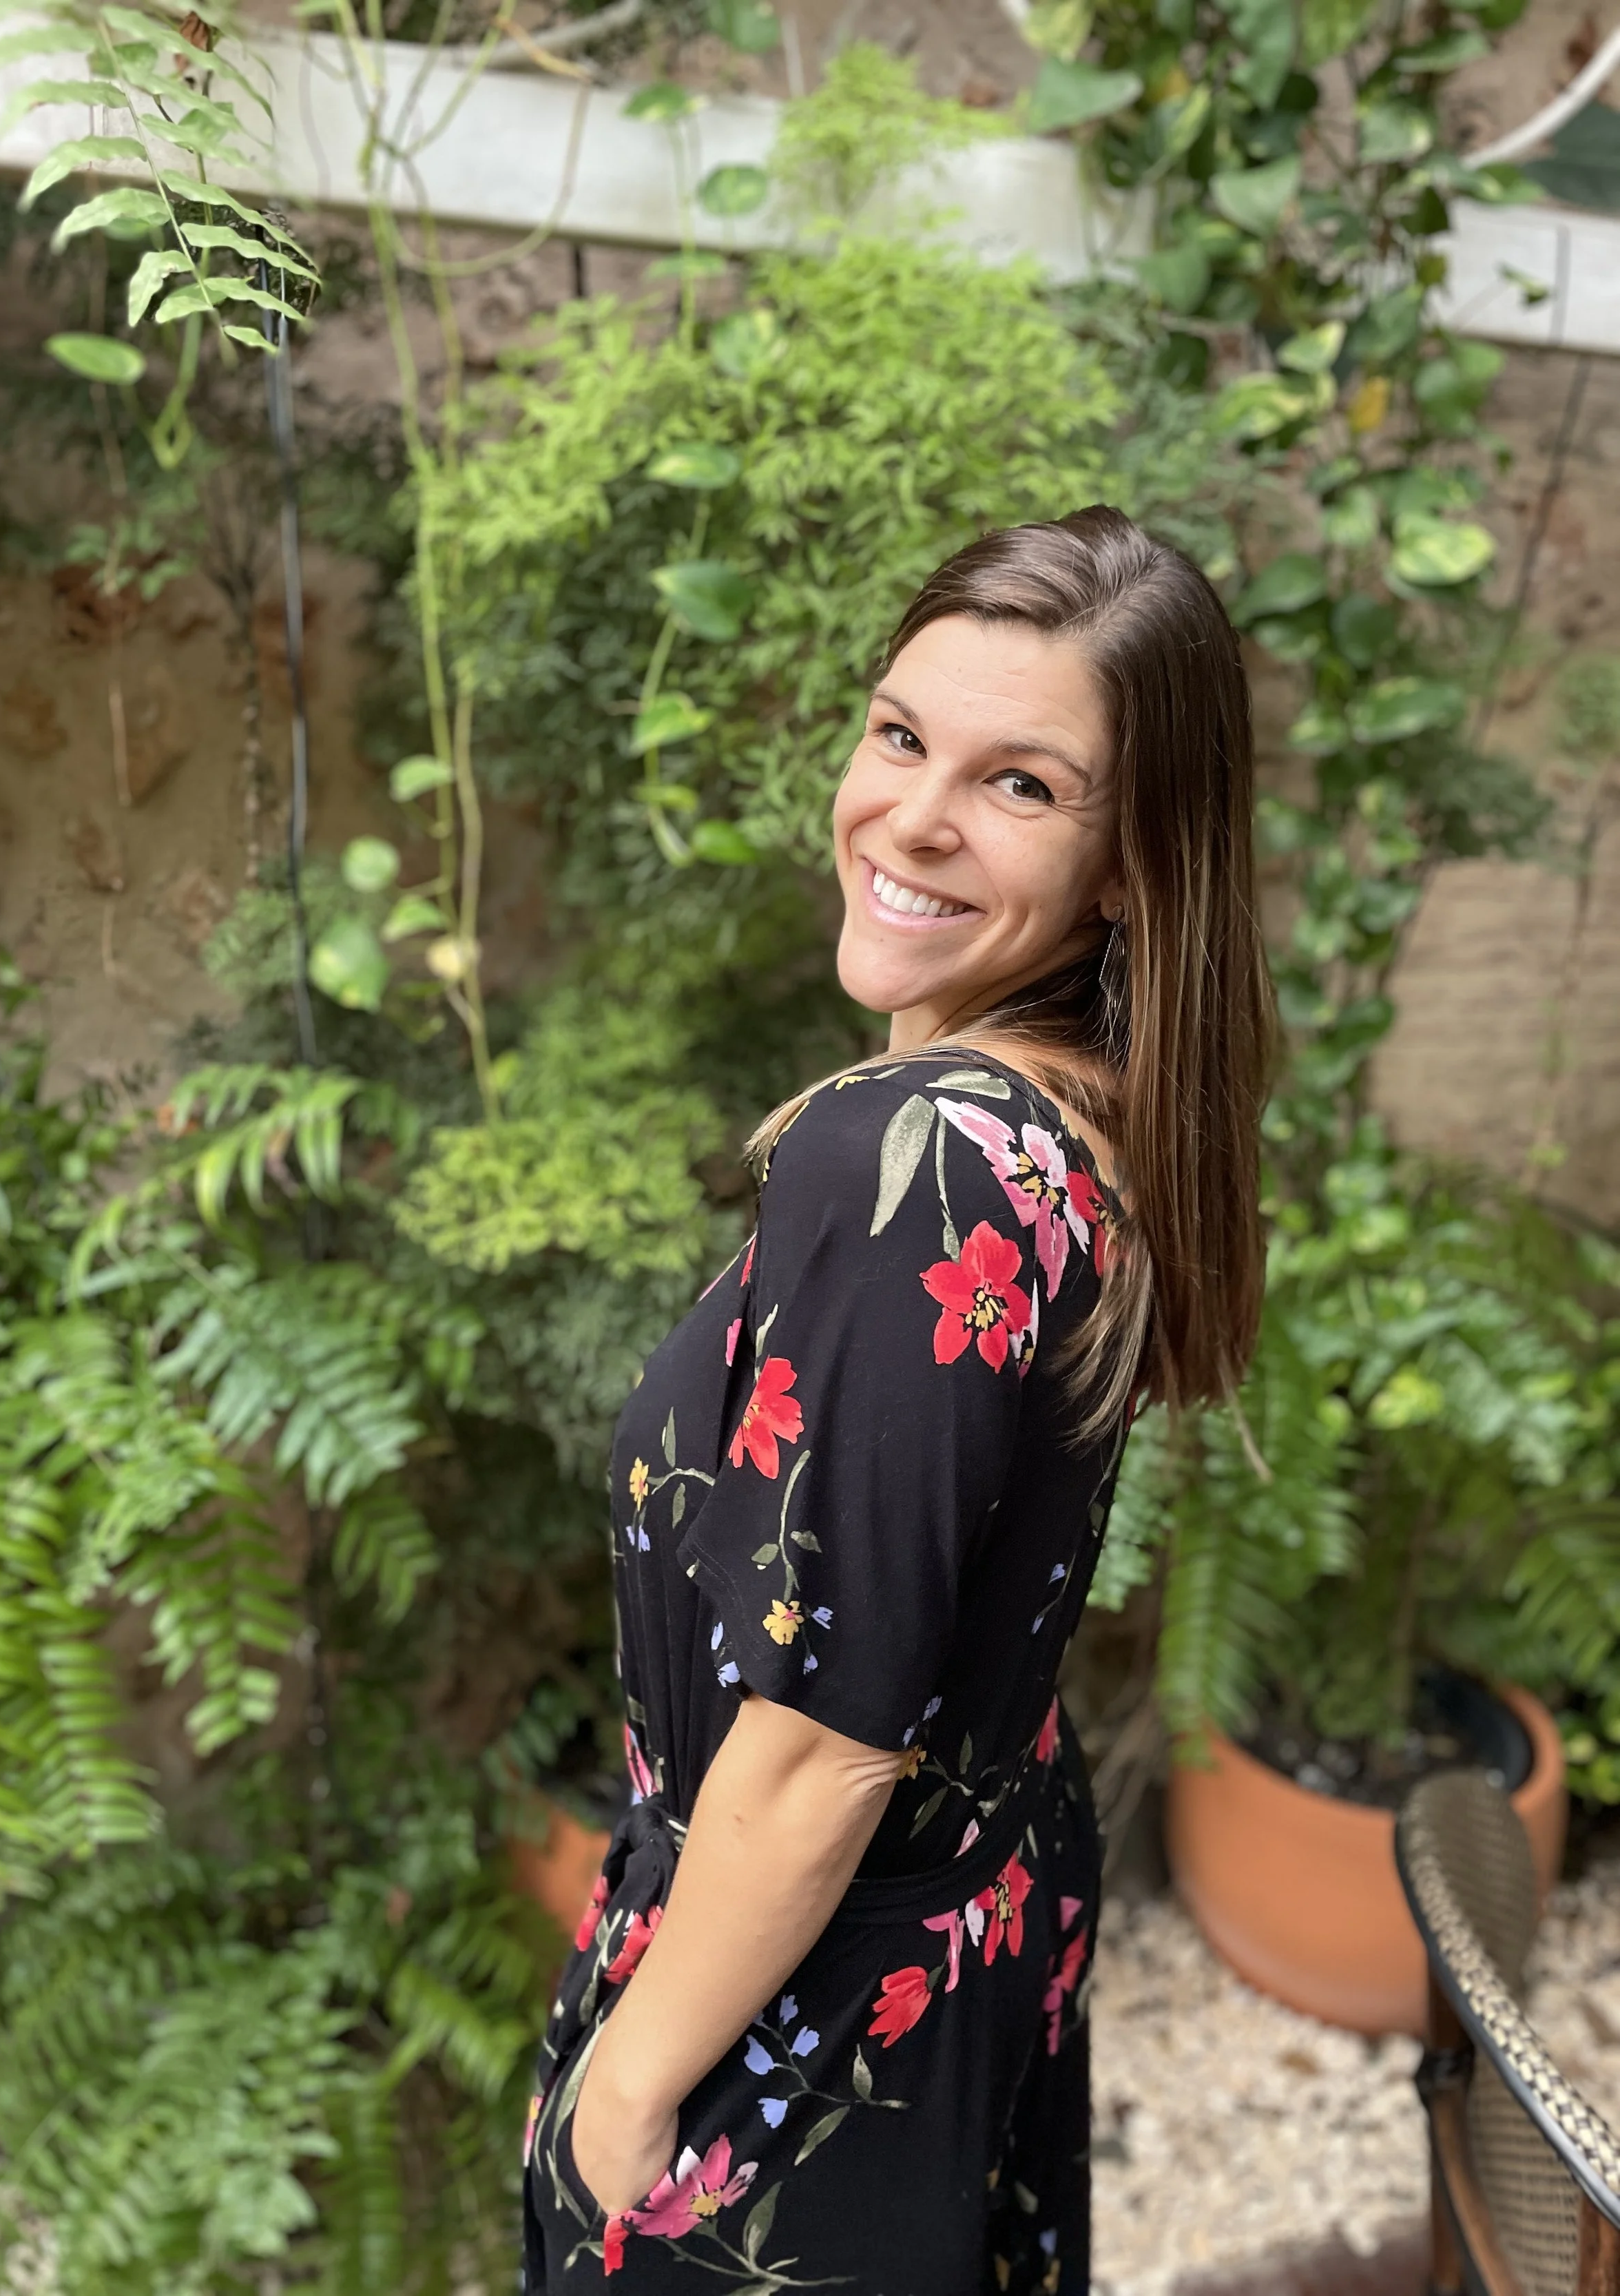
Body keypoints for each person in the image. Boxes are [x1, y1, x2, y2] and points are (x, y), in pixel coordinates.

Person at [521, 508, 1272, 2293]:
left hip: (797, 2008)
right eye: (898, 734)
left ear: (1128, 865)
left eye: (1018, 784)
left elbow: (820, 1742)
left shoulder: (916, 1161)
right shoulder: (1079, 1114)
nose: (911, 816)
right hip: (968, 1910)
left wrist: (624, 2086)